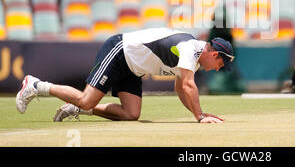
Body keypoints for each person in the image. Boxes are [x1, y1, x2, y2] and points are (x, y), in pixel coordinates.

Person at [16, 28, 235, 123]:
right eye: (219, 64)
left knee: (131, 114)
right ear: (214, 54)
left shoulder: (194, 59)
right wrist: (200, 116)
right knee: (86, 99)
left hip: (133, 69)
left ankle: (76, 108)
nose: (217, 69)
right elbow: (188, 86)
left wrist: (199, 113)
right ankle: (35, 85)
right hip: (120, 51)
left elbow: (180, 88)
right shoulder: (189, 48)